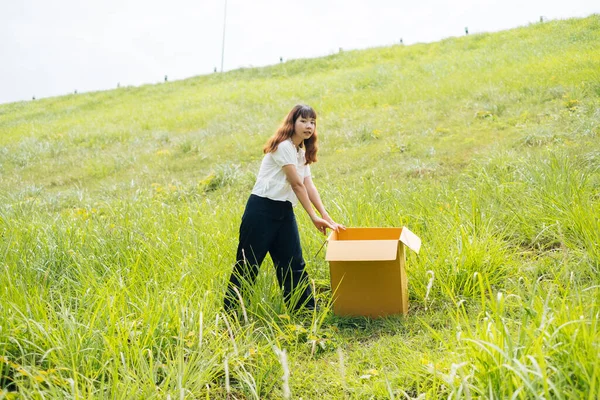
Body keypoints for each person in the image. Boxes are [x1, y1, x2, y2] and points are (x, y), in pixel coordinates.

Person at [224, 104, 345, 314]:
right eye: (304, 121)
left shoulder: (300, 151)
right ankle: (231, 315)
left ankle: (306, 312)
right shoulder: (283, 146)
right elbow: (296, 184)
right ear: (292, 123)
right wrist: (313, 217)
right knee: (248, 264)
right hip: (261, 210)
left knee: (293, 263)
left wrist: (326, 216)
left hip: (284, 211)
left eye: (312, 122)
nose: (309, 126)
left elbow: (308, 184)